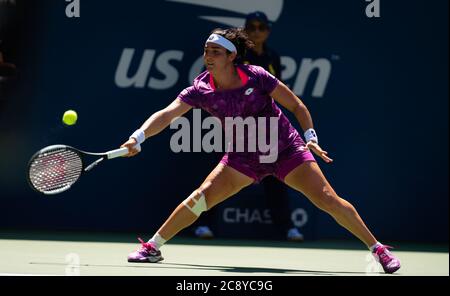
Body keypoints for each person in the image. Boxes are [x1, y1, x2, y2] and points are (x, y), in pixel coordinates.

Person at [121, 28, 401, 273]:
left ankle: (378, 249)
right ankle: (152, 247)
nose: (209, 55)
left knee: (328, 199)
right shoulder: (200, 89)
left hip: (286, 149)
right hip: (243, 157)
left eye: (216, 51)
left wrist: (310, 137)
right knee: (200, 199)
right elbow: (167, 114)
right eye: (207, 50)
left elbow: (297, 106)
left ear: (231, 56)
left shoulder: (258, 76)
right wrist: (138, 136)